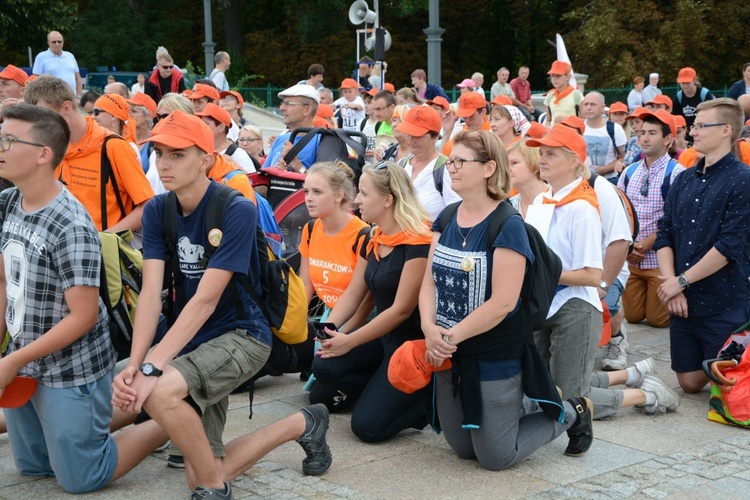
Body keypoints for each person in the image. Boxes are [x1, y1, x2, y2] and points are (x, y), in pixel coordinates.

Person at [111, 110, 332, 497]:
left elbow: (206, 299)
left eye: (178, 154)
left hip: (243, 336)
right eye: (159, 152)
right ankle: (303, 423)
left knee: (162, 393)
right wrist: (134, 364)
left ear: (206, 159)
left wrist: (152, 365)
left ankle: (215, 489)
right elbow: (150, 294)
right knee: (195, 462)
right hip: (196, 340)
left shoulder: (236, 208)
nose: (163, 163)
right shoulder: (159, 209)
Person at [0, 102, 169, 495]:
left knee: (82, 478)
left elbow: (84, 317)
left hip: (68, 367)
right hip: (24, 358)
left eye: (8, 140)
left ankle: (169, 421)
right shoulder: (10, 202)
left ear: (44, 155)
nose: (1, 147)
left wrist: (13, 360)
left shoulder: (72, 224)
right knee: (34, 467)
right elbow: (6, 279)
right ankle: (104, 411)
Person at [419, 129, 594, 470]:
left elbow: (503, 303)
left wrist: (447, 338)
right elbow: (429, 283)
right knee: (463, 449)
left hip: (491, 353)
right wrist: (429, 328)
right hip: (446, 350)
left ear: (488, 168)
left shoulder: (507, 224)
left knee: (496, 457)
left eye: (460, 161)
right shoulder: (446, 217)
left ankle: (572, 411)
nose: (450, 167)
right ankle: (516, 408)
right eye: (450, 160)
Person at [311, 161, 432, 443]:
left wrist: (350, 341)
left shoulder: (418, 243)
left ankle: (420, 403)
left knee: (366, 428)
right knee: (321, 367)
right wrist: (326, 330)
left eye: (364, 194)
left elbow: (401, 311)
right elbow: (354, 294)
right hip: (382, 338)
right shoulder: (372, 236)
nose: (356, 200)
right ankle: (379, 391)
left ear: (388, 200)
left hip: (409, 347)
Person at [654, 98, 750, 394]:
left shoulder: (742, 180)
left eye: (699, 126)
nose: (692, 132)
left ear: (725, 130)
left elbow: (728, 246)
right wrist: (672, 284)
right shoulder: (682, 179)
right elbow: (664, 233)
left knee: (729, 387)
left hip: (724, 301)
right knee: (689, 383)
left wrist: (679, 282)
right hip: (683, 300)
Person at [525, 124, 603, 400]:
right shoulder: (541, 199)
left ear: (574, 162)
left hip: (574, 307)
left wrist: (541, 273)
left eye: (551, 154)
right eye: (541, 153)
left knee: (568, 395)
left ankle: (636, 395)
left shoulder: (581, 208)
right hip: (542, 302)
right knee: (539, 389)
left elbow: (593, 276)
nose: (542, 159)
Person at [24, 76, 153, 233]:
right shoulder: (51, 148)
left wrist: (102, 239)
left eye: (44, 115)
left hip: (105, 251)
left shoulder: (113, 146)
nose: (39, 123)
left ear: (66, 107)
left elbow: (148, 205)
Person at [299, 161, 372, 407]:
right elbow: (305, 285)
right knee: (284, 352)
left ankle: (374, 381)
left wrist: (332, 336)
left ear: (339, 195)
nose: (308, 198)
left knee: (319, 397)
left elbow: (363, 301)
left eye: (317, 192)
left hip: (362, 320)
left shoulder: (362, 234)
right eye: (306, 191)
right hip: (330, 316)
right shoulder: (310, 228)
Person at [618, 110, 686, 329]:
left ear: (668, 139)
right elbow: (620, 212)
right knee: (634, 317)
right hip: (632, 259)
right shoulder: (629, 171)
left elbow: (677, 220)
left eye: (652, 133)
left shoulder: (677, 173)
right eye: (642, 133)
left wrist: (646, 245)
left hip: (658, 261)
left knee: (657, 320)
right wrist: (630, 247)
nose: (644, 138)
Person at [395, 105, 461, 219]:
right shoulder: (402, 164)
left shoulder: (446, 168)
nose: (411, 140)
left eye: (417, 135)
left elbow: (456, 213)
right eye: (408, 133)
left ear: (435, 137)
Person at [264, 84, 320, 172]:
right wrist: (275, 171)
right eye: (282, 103)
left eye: (288, 104)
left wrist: (296, 165)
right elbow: (261, 180)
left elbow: (324, 184)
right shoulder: (280, 139)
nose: (282, 108)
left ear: (307, 110)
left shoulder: (322, 141)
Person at [196, 103, 255, 173]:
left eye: (206, 124)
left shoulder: (237, 154)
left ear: (221, 127)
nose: (201, 127)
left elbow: (253, 181)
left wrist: (235, 165)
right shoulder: (199, 149)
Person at [582, 92, 627, 182]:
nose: (588, 107)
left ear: (602, 108)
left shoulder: (615, 129)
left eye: (593, 104)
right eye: (586, 104)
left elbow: (624, 157)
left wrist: (603, 170)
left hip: (608, 181)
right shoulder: (578, 127)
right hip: (582, 182)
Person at [32, 31, 82, 98]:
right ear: (48, 43)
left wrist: (78, 96)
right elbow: (35, 79)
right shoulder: (41, 57)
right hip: (52, 99)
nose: (57, 44)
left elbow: (78, 78)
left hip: (72, 98)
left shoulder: (70, 56)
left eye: (59, 41)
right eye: (54, 42)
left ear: (63, 42)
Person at [507, 140, 547, 218]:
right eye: (505, 164)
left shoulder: (557, 199)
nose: (507, 169)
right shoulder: (509, 207)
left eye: (514, 163)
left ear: (535, 163)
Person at [672, 67, 715, 131]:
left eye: (688, 83)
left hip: (704, 129)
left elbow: (713, 113)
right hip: (687, 132)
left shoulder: (704, 94)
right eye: (683, 83)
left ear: (694, 81)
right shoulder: (678, 97)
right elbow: (676, 117)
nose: (685, 86)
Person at [544, 61, 583, 126]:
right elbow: (548, 120)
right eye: (552, 76)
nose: (554, 79)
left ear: (568, 77)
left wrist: (567, 119)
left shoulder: (577, 95)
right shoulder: (550, 96)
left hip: (571, 133)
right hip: (554, 133)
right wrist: (548, 129)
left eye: (558, 76)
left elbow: (584, 120)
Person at [126, 92, 157, 172]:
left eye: (134, 111)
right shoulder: (124, 138)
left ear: (148, 116)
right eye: (128, 111)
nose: (129, 115)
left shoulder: (155, 142)